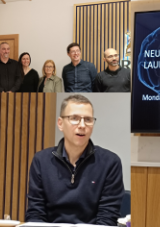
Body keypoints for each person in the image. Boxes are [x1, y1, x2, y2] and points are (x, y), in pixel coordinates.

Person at [25, 94, 124, 225]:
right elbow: (35, 214)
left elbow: (107, 218)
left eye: (88, 119)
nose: (82, 125)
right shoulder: (41, 161)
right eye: (74, 118)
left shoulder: (110, 162)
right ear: (60, 123)